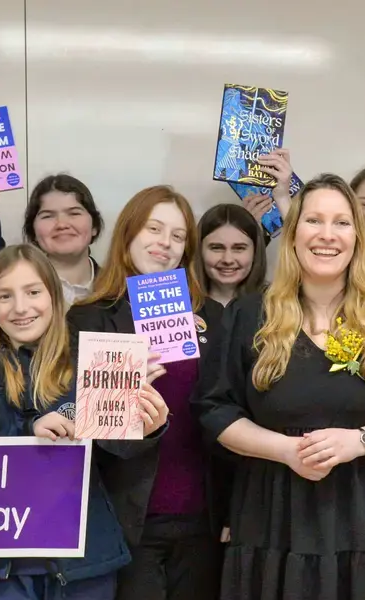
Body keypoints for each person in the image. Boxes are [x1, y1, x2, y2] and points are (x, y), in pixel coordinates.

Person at [197, 174, 365, 599]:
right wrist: (284, 451)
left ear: (358, 236)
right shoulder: (249, 315)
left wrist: (361, 441)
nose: (327, 235)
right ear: (293, 233)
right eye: (314, 221)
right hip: (274, 518)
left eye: (341, 222)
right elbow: (214, 410)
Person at [0, 244, 171, 599]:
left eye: (33, 292)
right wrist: (27, 435)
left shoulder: (95, 361)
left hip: (84, 560)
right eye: (4, 296)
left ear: (54, 297)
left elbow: (117, 453)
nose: (21, 307)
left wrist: (145, 426)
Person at [66, 186, 231, 600]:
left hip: (202, 515)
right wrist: (123, 388)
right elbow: (96, 435)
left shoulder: (212, 317)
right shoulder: (90, 318)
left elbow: (227, 411)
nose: (165, 243)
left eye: (178, 236)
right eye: (154, 229)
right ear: (128, 234)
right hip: (128, 517)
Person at [0, 174, 105, 345]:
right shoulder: (10, 291)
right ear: (32, 231)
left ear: (94, 226)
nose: (62, 224)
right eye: (48, 216)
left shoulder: (121, 292)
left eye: (74, 213)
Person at [193, 204, 266, 307]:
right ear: (199, 250)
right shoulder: (177, 305)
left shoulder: (276, 305)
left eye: (239, 248)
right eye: (217, 248)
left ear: (255, 252)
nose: (228, 260)